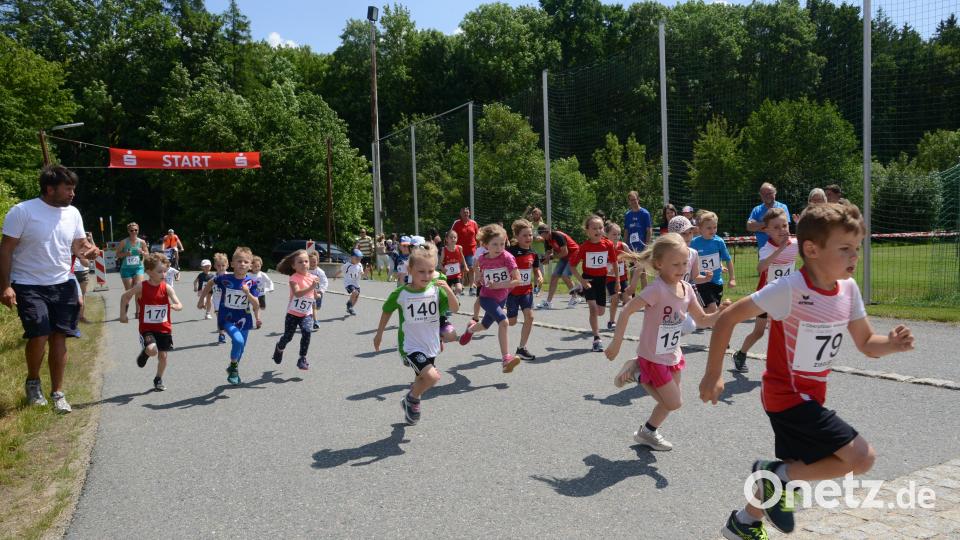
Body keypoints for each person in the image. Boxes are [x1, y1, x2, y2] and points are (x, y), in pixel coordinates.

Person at [700, 203, 914, 539]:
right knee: (861, 457)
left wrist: (891, 343)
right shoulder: (791, 289)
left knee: (807, 466)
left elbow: (868, 343)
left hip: (811, 397)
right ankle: (777, 473)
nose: (853, 257)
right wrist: (713, 374)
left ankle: (745, 521)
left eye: (856, 249)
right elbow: (727, 318)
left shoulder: (848, 290)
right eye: (844, 249)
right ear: (811, 249)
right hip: (787, 396)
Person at [605, 233, 724, 451]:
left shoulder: (687, 289)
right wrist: (616, 343)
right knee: (674, 402)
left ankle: (647, 432)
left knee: (668, 401)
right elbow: (626, 311)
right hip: (653, 355)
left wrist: (723, 313)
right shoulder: (656, 289)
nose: (682, 269)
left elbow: (703, 320)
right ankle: (639, 373)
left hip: (672, 353)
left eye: (685, 263)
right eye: (675, 264)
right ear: (659, 264)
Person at [0, 165, 97, 412]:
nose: (72, 193)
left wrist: (89, 250)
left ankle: (57, 392)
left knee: (59, 337)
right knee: (39, 333)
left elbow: (78, 245)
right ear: (49, 188)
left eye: (73, 189)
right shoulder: (22, 211)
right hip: (28, 283)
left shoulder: (72, 213)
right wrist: (5, 286)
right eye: (68, 189)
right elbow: (6, 250)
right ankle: (33, 382)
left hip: (62, 282)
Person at [374, 242, 459, 425]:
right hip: (410, 346)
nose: (426, 276)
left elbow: (455, 308)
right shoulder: (401, 293)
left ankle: (411, 402)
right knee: (432, 376)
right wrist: (379, 334)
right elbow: (387, 311)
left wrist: (448, 289)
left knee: (422, 379)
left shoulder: (437, 290)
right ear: (410, 270)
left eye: (430, 271)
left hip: (431, 344)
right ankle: (412, 399)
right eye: (421, 272)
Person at [730, 207, 798, 373]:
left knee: (787, 330)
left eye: (784, 226)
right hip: (766, 297)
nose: (782, 230)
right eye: (776, 227)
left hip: (784, 296)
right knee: (759, 332)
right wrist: (781, 248)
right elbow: (761, 268)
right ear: (766, 230)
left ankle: (786, 365)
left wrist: (802, 226)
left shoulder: (795, 243)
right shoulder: (767, 248)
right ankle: (741, 354)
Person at [458, 224, 522, 373]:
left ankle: (470, 329)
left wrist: (500, 284)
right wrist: (478, 278)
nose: (499, 247)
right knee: (504, 322)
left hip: (501, 298)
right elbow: (479, 274)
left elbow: (517, 280)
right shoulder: (482, 258)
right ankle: (506, 358)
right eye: (495, 244)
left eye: (502, 243)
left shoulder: (508, 257)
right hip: (486, 297)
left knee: (485, 326)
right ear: (485, 244)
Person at [119, 252, 183, 391]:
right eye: (160, 271)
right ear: (149, 272)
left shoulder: (166, 287)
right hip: (147, 328)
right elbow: (125, 297)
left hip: (164, 328)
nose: (164, 274)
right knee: (152, 350)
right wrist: (123, 315)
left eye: (165, 271)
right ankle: (145, 353)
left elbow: (179, 303)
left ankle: (158, 378)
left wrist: (176, 306)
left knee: (163, 356)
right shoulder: (142, 286)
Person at [197, 247, 261, 385]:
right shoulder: (225, 278)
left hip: (244, 319)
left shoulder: (251, 283)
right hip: (227, 317)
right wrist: (201, 299)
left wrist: (247, 293)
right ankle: (233, 368)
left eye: (245, 262)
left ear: (250, 265)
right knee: (238, 341)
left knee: (241, 347)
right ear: (232, 264)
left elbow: (256, 304)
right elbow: (209, 283)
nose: (242, 264)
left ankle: (233, 368)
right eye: (239, 261)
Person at [569, 215, 619, 353]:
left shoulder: (608, 244)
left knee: (601, 312)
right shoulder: (584, 247)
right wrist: (582, 280)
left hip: (601, 279)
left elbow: (614, 262)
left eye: (600, 227)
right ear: (587, 231)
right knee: (593, 309)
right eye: (594, 228)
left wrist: (618, 281)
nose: (598, 230)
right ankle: (597, 339)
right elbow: (572, 266)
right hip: (588, 280)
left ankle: (579, 290)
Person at [272, 250, 317, 370]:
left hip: (306, 313)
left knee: (307, 332)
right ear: (293, 266)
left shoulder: (313, 277)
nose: (304, 264)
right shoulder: (294, 278)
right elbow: (297, 293)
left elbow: (313, 293)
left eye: (306, 261)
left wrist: (316, 294)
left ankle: (302, 358)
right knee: (288, 337)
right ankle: (279, 348)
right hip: (293, 313)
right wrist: (312, 287)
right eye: (300, 262)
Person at [506, 219, 542, 361]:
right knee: (512, 322)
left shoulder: (533, 253)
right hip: (511, 293)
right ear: (517, 237)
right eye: (525, 235)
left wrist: (539, 276)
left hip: (526, 292)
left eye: (530, 235)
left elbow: (536, 269)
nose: (529, 238)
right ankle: (499, 315)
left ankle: (521, 348)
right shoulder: (510, 252)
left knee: (530, 316)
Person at [690, 211, 736, 314]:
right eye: (709, 228)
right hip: (702, 281)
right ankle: (711, 322)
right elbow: (690, 260)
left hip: (717, 281)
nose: (713, 230)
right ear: (700, 229)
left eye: (715, 227)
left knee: (710, 311)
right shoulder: (694, 243)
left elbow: (727, 259)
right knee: (712, 308)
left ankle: (695, 315)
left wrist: (732, 278)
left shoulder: (719, 242)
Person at [535, 223, 581, 309]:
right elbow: (548, 252)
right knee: (554, 276)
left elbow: (565, 252)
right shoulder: (547, 240)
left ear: (548, 232)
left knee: (565, 275)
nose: (542, 237)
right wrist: (545, 259)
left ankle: (575, 297)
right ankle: (548, 302)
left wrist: (551, 257)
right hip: (565, 256)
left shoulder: (558, 236)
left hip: (574, 254)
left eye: (543, 235)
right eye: (541, 235)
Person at [747, 182, 792, 249]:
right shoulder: (756, 210)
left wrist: (759, 227)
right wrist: (771, 225)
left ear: (775, 193)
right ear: (761, 196)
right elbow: (749, 227)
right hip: (763, 250)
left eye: (770, 193)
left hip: (781, 248)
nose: (767, 196)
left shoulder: (783, 207)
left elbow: (784, 228)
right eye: (764, 194)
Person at [603, 222, 630, 331]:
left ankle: (622, 320)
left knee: (628, 300)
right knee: (614, 299)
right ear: (607, 234)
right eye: (614, 234)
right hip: (610, 278)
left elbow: (632, 256)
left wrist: (636, 260)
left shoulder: (623, 246)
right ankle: (611, 321)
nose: (617, 237)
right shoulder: (603, 247)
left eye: (618, 234)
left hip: (622, 277)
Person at [624, 191, 653, 291]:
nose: (633, 202)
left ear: (638, 199)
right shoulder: (628, 215)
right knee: (632, 272)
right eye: (631, 200)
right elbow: (626, 231)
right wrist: (624, 245)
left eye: (634, 200)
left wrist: (647, 245)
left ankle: (645, 296)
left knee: (642, 273)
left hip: (642, 248)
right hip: (631, 248)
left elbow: (649, 230)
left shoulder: (645, 213)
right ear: (629, 202)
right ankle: (631, 296)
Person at [451, 207, 479, 295]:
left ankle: (472, 287)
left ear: (469, 213)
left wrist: (479, 247)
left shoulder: (473, 223)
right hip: (459, 250)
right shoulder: (456, 223)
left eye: (467, 212)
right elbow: (451, 235)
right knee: (460, 269)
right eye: (464, 212)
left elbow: (478, 236)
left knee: (471, 268)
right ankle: (461, 286)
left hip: (471, 250)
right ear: (460, 213)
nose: (465, 214)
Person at [118, 222, 148, 296]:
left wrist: (142, 252)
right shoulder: (124, 242)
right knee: (129, 294)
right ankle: (124, 306)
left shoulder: (142, 242)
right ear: (128, 231)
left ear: (138, 230)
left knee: (139, 291)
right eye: (131, 230)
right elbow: (118, 254)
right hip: (126, 269)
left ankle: (138, 308)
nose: (134, 232)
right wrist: (126, 254)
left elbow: (147, 254)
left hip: (139, 268)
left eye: (135, 230)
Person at [440, 230, 468, 295]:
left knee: (459, 289)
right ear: (447, 239)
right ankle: (452, 298)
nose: (453, 239)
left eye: (455, 237)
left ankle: (454, 296)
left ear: (457, 238)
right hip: (447, 275)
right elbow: (440, 263)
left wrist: (466, 266)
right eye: (451, 237)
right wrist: (442, 268)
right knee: (446, 292)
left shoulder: (459, 248)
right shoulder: (444, 250)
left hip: (457, 275)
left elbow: (462, 258)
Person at [307, 250, 328, 330]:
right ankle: (315, 322)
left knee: (317, 307)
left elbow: (325, 282)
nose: (312, 263)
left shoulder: (320, 272)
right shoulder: (306, 270)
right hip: (309, 292)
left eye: (314, 262)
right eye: (310, 262)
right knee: (313, 306)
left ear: (317, 261)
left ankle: (311, 316)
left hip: (318, 292)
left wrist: (321, 290)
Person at [340, 249, 364, 315]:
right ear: (352, 257)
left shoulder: (360, 265)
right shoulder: (347, 265)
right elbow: (341, 270)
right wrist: (335, 276)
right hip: (348, 283)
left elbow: (362, 273)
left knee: (356, 297)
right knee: (354, 292)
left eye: (360, 258)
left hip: (356, 283)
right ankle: (349, 304)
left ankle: (350, 308)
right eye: (357, 258)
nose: (359, 260)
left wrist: (366, 272)